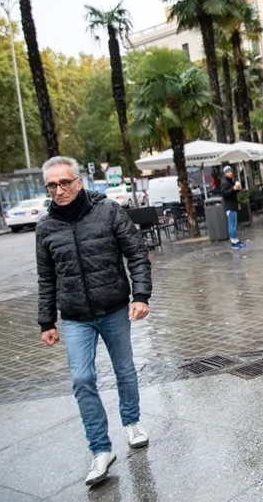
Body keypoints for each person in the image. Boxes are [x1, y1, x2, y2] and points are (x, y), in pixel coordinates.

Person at [35, 156, 152, 486]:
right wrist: (46, 321)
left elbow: (136, 253)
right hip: (75, 316)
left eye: (64, 182)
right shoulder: (46, 227)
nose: (59, 190)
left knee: (124, 369)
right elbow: (46, 278)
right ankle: (100, 449)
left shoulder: (108, 211)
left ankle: (131, 422)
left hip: (113, 307)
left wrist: (141, 296)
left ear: (78, 181)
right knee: (82, 378)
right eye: (52, 185)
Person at [219, 166, 247, 249]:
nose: (230, 173)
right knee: (232, 225)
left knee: (233, 224)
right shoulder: (224, 182)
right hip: (229, 206)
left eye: (231, 171)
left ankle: (236, 240)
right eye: (228, 172)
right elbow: (224, 194)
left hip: (232, 205)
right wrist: (233, 188)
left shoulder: (229, 181)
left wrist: (237, 189)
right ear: (225, 173)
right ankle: (234, 242)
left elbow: (232, 194)